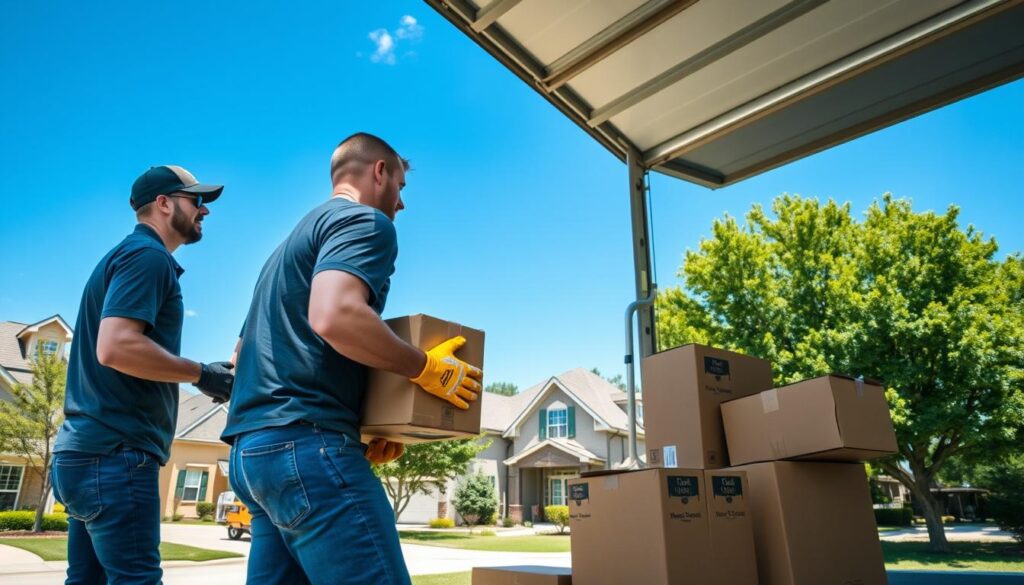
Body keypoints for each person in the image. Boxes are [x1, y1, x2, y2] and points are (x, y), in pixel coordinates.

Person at [223, 132, 482, 585]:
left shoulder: (283, 252)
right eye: (401, 187)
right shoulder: (365, 222)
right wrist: (426, 369)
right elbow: (336, 315)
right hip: (305, 448)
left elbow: (241, 355)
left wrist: (363, 430)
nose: (401, 204)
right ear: (379, 171)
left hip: (251, 456)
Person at [52, 165, 236, 585]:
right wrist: (202, 374)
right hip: (116, 455)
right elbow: (116, 346)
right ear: (164, 203)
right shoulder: (147, 257)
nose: (204, 211)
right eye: (197, 200)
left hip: (85, 453)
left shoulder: (124, 256)